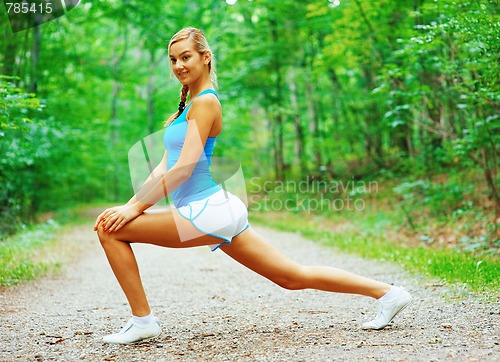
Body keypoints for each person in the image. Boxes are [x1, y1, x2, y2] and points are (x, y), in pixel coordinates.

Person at [94, 27, 412, 345]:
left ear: (206, 58)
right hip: (216, 208)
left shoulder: (206, 103)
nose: (179, 65)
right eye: (173, 59)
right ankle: (389, 293)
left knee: (110, 231)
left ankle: (143, 321)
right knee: (291, 276)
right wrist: (129, 204)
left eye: (186, 57)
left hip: (205, 212)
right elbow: (164, 167)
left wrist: (134, 208)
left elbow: (183, 169)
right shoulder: (189, 107)